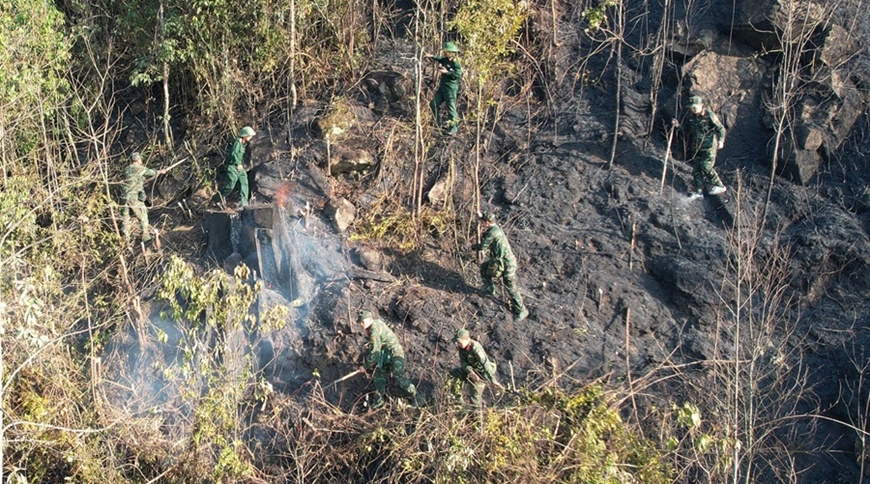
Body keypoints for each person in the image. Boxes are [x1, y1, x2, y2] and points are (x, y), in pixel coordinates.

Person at [472, 211, 529, 321]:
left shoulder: (492, 233)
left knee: (510, 286)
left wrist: (472, 246)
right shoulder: (495, 228)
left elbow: (483, 247)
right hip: (500, 262)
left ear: (487, 222)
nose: (482, 224)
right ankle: (489, 289)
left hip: (507, 264)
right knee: (484, 268)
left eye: (483, 222)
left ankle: (522, 310)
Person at [357, 310, 419, 409]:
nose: (361, 324)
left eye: (362, 322)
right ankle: (378, 402)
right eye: (360, 322)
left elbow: (375, 351)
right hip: (385, 354)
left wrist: (365, 366)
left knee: (398, 376)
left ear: (369, 320)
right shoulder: (377, 322)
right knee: (379, 377)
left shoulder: (374, 330)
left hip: (394, 353)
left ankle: (417, 399)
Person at [671, 95, 727, 197]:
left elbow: (721, 128)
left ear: (701, 105)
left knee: (705, 166)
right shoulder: (691, 117)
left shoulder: (709, 115)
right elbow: (686, 129)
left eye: (694, 107)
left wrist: (721, 141)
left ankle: (719, 185)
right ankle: (698, 192)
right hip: (696, 147)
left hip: (709, 146)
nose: (692, 109)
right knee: (696, 169)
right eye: (691, 107)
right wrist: (678, 126)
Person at [122, 152, 165, 243]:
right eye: (140, 159)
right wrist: (161, 172)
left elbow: (134, 179)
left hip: (124, 197)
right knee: (143, 215)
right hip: (133, 197)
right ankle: (145, 237)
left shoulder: (126, 169)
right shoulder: (138, 168)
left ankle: (126, 240)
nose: (142, 160)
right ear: (137, 160)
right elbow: (151, 172)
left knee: (126, 219)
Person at [449, 328, 499, 406]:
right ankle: (460, 405)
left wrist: (493, 380)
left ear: (466, 339)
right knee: (453, 375)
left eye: (459, 342)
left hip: (482, 372)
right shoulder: (462, 348)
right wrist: (471, 372)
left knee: (474, 397)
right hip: (472, 370)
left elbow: (485, 365)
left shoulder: (476, 348)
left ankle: (477, 416)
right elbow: (464, 363)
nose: (458, 344)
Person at [214, 126, 255, 208]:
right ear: (245, 135)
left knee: (244, 182)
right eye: (250, 136)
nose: (251, 137)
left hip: (239, 167)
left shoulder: (244, 143)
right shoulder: (237, 142)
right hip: (232, 166)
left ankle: (243, 202)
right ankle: (216, 198)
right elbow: (233, 154)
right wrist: (237, 163)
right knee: (230, 185)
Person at [426, 42, 463, 135]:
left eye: (448, 52)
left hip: (450, 89)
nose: (446, 53)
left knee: (451, 109)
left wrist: (447, 72)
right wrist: (431, 56)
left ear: (452, 52)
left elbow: (458, 75)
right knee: (433, 104)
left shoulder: (456, 63)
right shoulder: (445, 59)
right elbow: (439, 58)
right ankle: (437, 124)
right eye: (445, 52)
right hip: (442, 88)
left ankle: (453, 129)